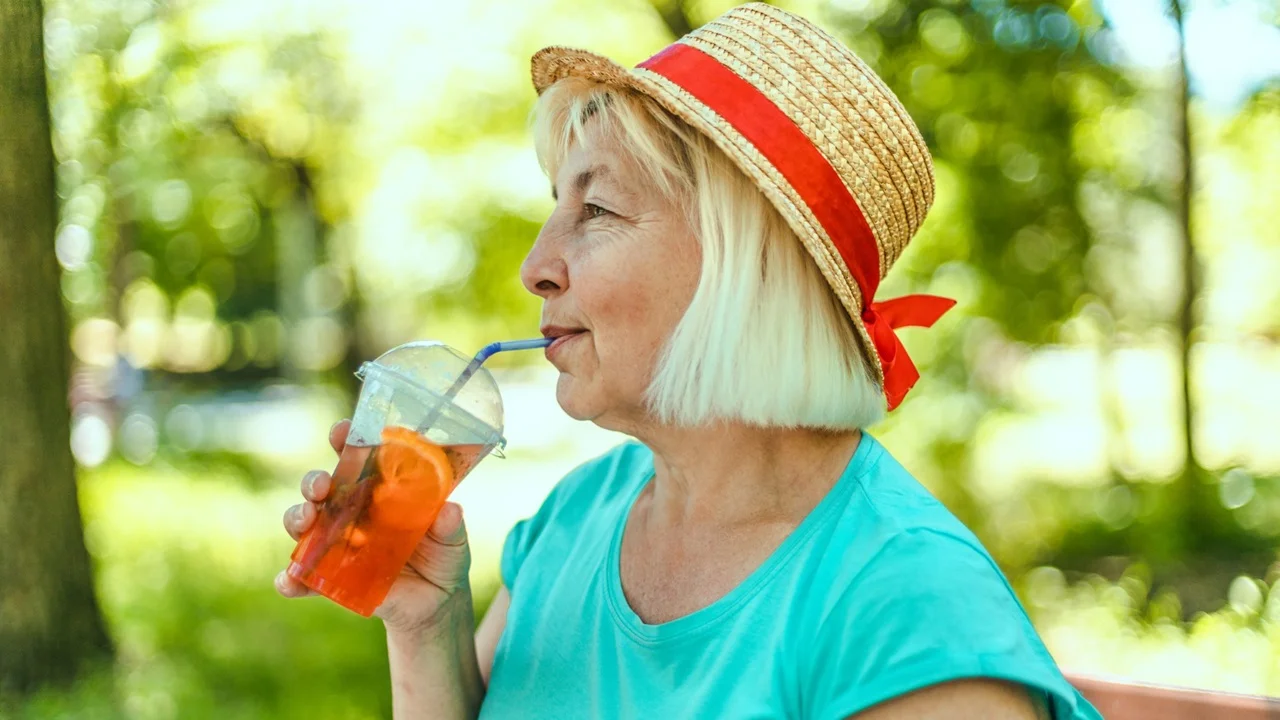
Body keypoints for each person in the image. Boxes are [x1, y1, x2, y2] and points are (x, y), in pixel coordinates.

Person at [277, 4, 1102, 718]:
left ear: (741, 272)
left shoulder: (910, 614)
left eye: (595, 207)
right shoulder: (577, 517)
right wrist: (427, 633)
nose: (536, 265)